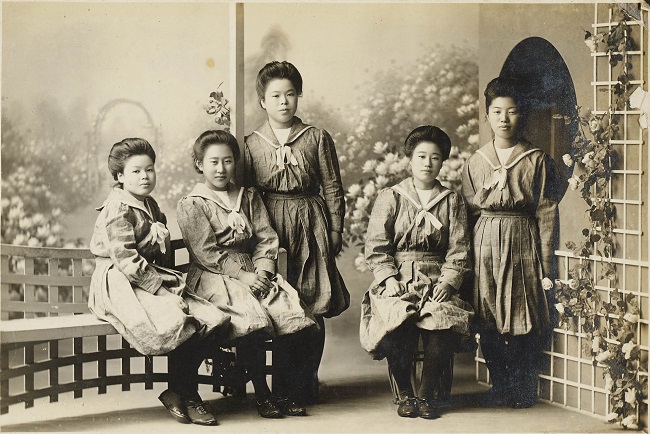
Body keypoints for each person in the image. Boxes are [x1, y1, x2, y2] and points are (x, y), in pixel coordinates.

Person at [88, 138, 229, 426]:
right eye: (136, 171)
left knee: (214, 319)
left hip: (146, 277)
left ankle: (178, 391)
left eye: (149, 170)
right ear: (119, 177)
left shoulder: (149, 204)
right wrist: (164, 292)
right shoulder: (117, 209)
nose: (144, 176)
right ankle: (189, 396)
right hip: (120, 283)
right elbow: (126, 260)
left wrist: (166, 284)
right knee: (179, 318)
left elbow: (153, 254)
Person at [177, 130, 316, 419]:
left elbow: (265, 238)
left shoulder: (248, 197)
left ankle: (285, 390)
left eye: (227, 161)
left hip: (254, 271)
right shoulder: (193, 203)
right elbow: (207, 254)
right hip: (215, 277)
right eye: (213, 162)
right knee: (252, 319)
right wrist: (243, 277)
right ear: (199, 164)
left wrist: (264, 271)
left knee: (291, 314)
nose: (221, 168)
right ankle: (263, 395)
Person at [243, 61, 350, 410]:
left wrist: (334, 228)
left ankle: (305, 381)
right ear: (262, 101)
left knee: (311, 300)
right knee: (277, 302)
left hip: (310, 222)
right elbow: (243, 193)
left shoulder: (316, 138)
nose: (284, 102)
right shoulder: (250, 144)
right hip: (268, 226)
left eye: (290, 94)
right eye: (275, 96)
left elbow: (333, 186)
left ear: (299, 96)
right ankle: (279, 387)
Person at [360, 125, 474, 419]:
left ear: (442, 162)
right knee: (398, 318)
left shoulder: (452, 201)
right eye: (421, 156)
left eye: (435, 157)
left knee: (440, 320)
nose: (427, 163)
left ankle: (425, 396)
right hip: (398, 276)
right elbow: (376, 243)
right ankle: (405, 394)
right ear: (409, 159)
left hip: (436, 277)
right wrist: (388, 278)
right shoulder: (392, 197)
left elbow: (459, 248)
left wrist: (449, 283)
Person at [461, 76, 561, 409]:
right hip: (484, 244)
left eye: (513, 111)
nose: (505, 119)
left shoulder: (535, 160)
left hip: (522, 242)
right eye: (497, 111)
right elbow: (467, 214)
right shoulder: (475, 163)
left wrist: (547, 265)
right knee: (487, 312)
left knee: (522, 312)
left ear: (523, 115)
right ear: (488, 115)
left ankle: (522, 387)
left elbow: (546, 214)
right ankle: (499, 385)